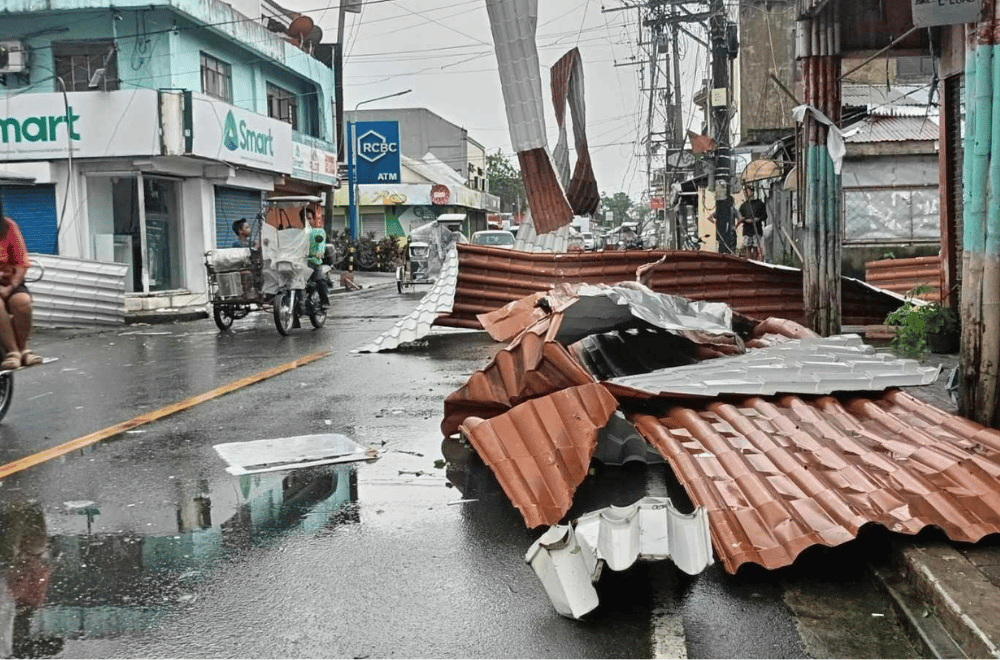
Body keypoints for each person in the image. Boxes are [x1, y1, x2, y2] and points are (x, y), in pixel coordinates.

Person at [0, 215, 40, 370]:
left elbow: (22, 262)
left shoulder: (8, 226)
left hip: (10, 282)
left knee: (22, 302)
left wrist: (10, 287)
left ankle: (24, 350)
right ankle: (12, 352)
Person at [305, 208, 330, 309]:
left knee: (319, 279)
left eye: (309, 218)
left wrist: (319, 252)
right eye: (305, 218)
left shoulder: (318, 232)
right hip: (301, 263)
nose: (307, 221)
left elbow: (320, 243)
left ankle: (325, 301)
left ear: (314, 220)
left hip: (314, 262)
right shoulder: (298, 233)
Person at [737, 184, 767, 261]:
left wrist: (757, 219)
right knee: (747, 247)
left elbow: (764, 216)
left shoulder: (759, 203)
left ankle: (754, 262)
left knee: (755, 247)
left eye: (747, 191)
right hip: (747, 229)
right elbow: (740, 217)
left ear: (752, 192)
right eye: (745, 192)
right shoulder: (743, 206)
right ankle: (748, 263)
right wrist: (744, 220)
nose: (746, 193)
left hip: (757, 229)